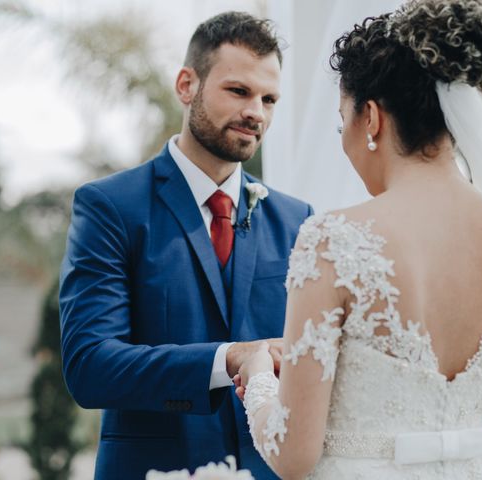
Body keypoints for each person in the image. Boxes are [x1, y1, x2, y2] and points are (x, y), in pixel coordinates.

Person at [235, 0, 482, 478]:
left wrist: (257, 375)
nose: (344, 140)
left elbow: (292, 454)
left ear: (373, 119)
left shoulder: (333, 240)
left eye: (344, 121)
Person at [59, 11, 312, 480]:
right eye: (239, 91)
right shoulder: (110, 207)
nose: (256, 111)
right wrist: (229, 357)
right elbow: (90, 365)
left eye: (269, 98)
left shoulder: (299, 220)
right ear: (186, 85)